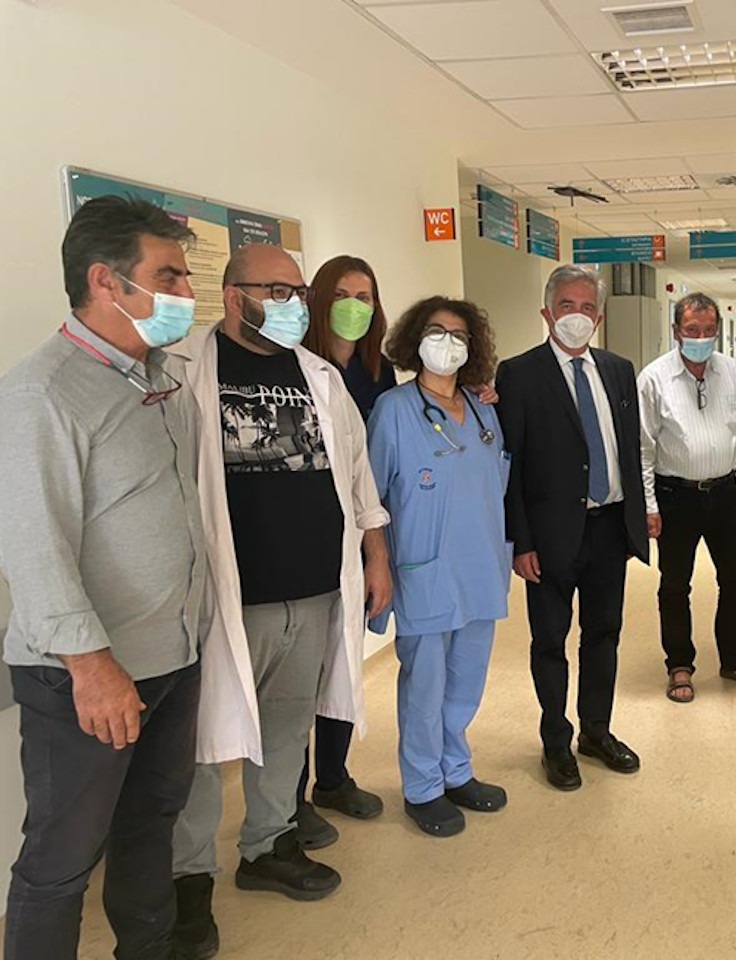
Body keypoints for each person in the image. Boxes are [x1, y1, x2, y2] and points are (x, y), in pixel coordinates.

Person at [169, 244, 391, 960]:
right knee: (202, 746)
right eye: (278, 290)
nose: (296, 304)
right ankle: (187, 881)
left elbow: (357, 478)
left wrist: (375, 556)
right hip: (225, 599)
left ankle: (267, 845)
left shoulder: (319, 376)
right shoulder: (180, 372)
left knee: (287, 728)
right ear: (235, 296)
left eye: (299, 291)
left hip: (316, 590)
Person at [0, 196, 206, 960]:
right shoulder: (42, 394)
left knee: (150, 825)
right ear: (105, 281)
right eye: (169, 276)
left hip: (170, 657)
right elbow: (33, 548)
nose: (186, 292)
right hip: (85, 679)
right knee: (61, 861)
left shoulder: (162, 380)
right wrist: (93, 669)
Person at [495, 264, 649, 791]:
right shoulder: (519, 374)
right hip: (550, 536)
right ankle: (556, 741)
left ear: (599, 317)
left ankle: (596, 732)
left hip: (609, 528)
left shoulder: (618, 370)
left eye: (587, 308)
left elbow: (629, 449)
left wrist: (636, 518)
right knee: (550, 641)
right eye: (567, 306)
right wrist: (521, 541)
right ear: (547, 312)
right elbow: (511, 465)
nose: (577, 316)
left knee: (604, 635)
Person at [366, 297, 510, 837]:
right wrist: (377, 563)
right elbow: (371, 499)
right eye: (436, 331)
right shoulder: (394, 410)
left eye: (458, 335)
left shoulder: (483, 408)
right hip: (424, 569)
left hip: (480, 567)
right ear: (415, 340)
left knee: (466, 680)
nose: (447, 343)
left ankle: (456, 770)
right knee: (424, 685)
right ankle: (423, 785)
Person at [290, 255, 396, 847]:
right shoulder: (295, 366)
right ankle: (290, 798)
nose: (354, 306)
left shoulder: (378, 371)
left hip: (362, 534)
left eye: (365, 296)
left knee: (343, 663)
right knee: (300, 678)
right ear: (317, 299)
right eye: (342, 294)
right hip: (308, 537)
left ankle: (333, 777)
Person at [637, 293, 736, 703]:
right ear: (676, 331)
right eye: (692, 330)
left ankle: (735, 658)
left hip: (726, 492)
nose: (701, 338)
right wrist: (649, 505)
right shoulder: (654, 378)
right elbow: (642, 449)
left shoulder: (732, 371)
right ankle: (679, 664)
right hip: (675, 495)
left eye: (709, 330)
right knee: (675, 585)